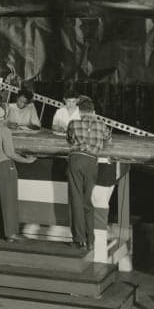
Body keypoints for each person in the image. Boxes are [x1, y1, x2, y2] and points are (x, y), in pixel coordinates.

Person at [65, 96, 112, 255]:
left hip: (76, 159)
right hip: (92, 162)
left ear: (80, 111)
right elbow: (108, 139)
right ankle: (91, 241)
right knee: (87, 202)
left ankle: (79, 240)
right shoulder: (102, 124)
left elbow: (69, 140)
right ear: (93, 111)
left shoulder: (73, 123)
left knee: (75, 199)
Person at [0, 104, 36, 242]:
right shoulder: (5, 129)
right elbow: (9, 153)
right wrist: (27, 160)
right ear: (6, 114)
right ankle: (11, 233)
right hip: (4, 166)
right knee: (9, 200)